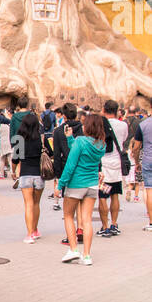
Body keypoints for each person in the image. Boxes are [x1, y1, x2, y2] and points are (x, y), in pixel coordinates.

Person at [59, 112, 106, 264]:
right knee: (87, 220)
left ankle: (73, 249)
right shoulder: (101, 145)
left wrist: (61, 184)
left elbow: (71, 164)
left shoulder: (81, 141)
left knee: (68, 216)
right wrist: (70, 138)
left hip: (76, 184)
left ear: (88, 126)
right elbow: (80, 149)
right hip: (92, 185)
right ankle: (86, 255)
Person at [97, 98, 128, 238]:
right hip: (117, 165)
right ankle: (114, 224)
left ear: (104, 109)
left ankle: (105, 226)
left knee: (103, 196)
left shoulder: (101, 124)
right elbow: (123, 140)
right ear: (117, 111)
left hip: (104, 165)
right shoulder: (123, 125)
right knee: (115, 194)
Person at [53, 102, 82, 245]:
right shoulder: (83, 129)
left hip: (66, 169)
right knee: (81, 203)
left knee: (69, 206)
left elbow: (57, 155)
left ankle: (71, 236)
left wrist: (58, 176)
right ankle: (81, 229)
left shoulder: (59, 131)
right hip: (82, 168)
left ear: (63, 116)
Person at [17, 108, 44, 242]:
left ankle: (29, 235)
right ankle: (35, 230)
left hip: (25, 173)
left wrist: (14, 171)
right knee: (36, 203)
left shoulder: (19, 139)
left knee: (28, 204)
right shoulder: (40, 138)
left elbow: (16, 159)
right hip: (39, 174)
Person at [130, 109, 152, 230]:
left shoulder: (143, 125)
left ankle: (151, 222)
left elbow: (137, 147)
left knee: (149, 190)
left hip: (148, 159)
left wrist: (137, 162)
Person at [9, 94, 31, 187]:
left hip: (18, 140)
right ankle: (23, 177)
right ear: (27, 104)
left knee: (16, 160)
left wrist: (12, 142)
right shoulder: (31, 115)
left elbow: (12, 130)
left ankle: (16, 174)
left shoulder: (14, 116)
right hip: (29, 140)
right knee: (26, 160)